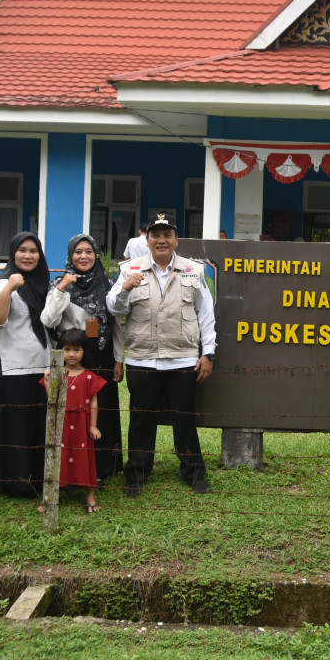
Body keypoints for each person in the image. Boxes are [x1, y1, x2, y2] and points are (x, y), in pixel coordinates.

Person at [107, 211, 215, 496]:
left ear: (176, 239)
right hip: (142, 359)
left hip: (183, 359)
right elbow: (115, 310)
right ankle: (137, 474)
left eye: (167, 235)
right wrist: (124, 291)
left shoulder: (194, 270)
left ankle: (193, 472)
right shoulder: (130, 270)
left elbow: (206, 314)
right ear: (147, 239)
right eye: (155, 235)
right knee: (141, 419)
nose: (161, 240)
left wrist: (208, 353)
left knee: (184, 419)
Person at [43, 233, 124, 482]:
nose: (83, 256)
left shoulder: (108, 285)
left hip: (102, 357)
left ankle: (103, 467)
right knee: (76, 412)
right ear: (70, 256)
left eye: (88, 251)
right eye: (78, 252)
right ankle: (74, 468)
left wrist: (119, 360)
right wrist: (62, 288)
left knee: (103, 410)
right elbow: (48, 320)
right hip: (73, 358)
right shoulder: (59, 284)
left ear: (95, 254)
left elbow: (118, 325)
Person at [0, 232, 51, 497]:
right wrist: (10, 288)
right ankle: (15, 482)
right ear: (13, 253)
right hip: (12, 369)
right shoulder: (2, 284)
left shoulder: (42, 285)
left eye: (34, 251)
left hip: (41, 367)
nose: (28, 255)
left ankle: (38, 477)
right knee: (16, 430)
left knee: (37, 427)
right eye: (22, 250)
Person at [40, 328, 106, 513]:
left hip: (82, 426)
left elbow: (93, 401)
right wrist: (47, 382)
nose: (71, 354)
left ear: (84, 351)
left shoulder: (89, 376)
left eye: (76, 349)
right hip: (60, 424)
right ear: (60, 350)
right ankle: (51, 498)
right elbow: (51, 399)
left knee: (85, 458)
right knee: (56, 458)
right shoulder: (57, 374)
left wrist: (93, 426)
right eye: (67, 349)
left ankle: (90, 496)